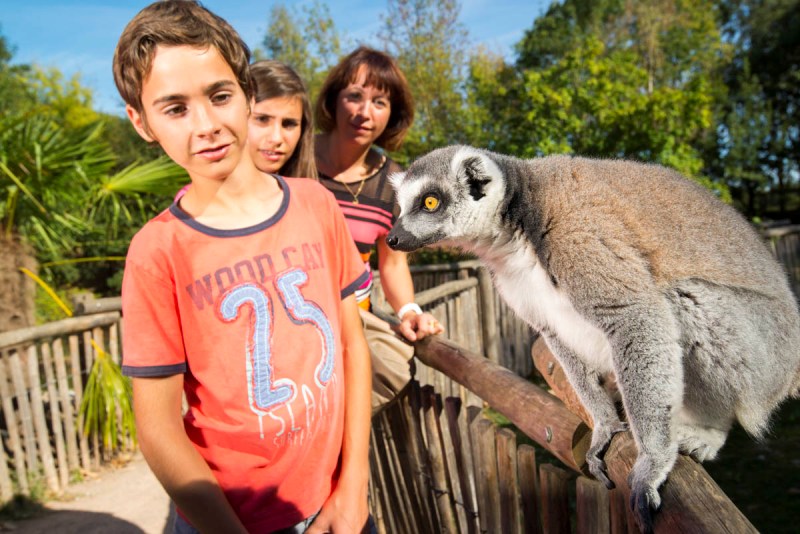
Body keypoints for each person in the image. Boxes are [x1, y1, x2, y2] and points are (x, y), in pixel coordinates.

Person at [113, 2, 372, 533]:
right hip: (234, 519)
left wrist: (354, 489)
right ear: (141, 122)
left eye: (220, 96)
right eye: (175, 108)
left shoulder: (316, 205)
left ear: (247, 95)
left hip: (335, 504)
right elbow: (159, 427)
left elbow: (352, 344)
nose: (206, 125)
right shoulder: (156, 252)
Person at [314, 46, 443, 411]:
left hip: (355, 324)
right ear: (334, 100)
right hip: (292, 320)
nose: (364, 112)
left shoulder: (395, 184)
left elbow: (393, 262)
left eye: (380, 102)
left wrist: (408, 311)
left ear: (393, 115)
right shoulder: (296, 160)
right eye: (354, 96)